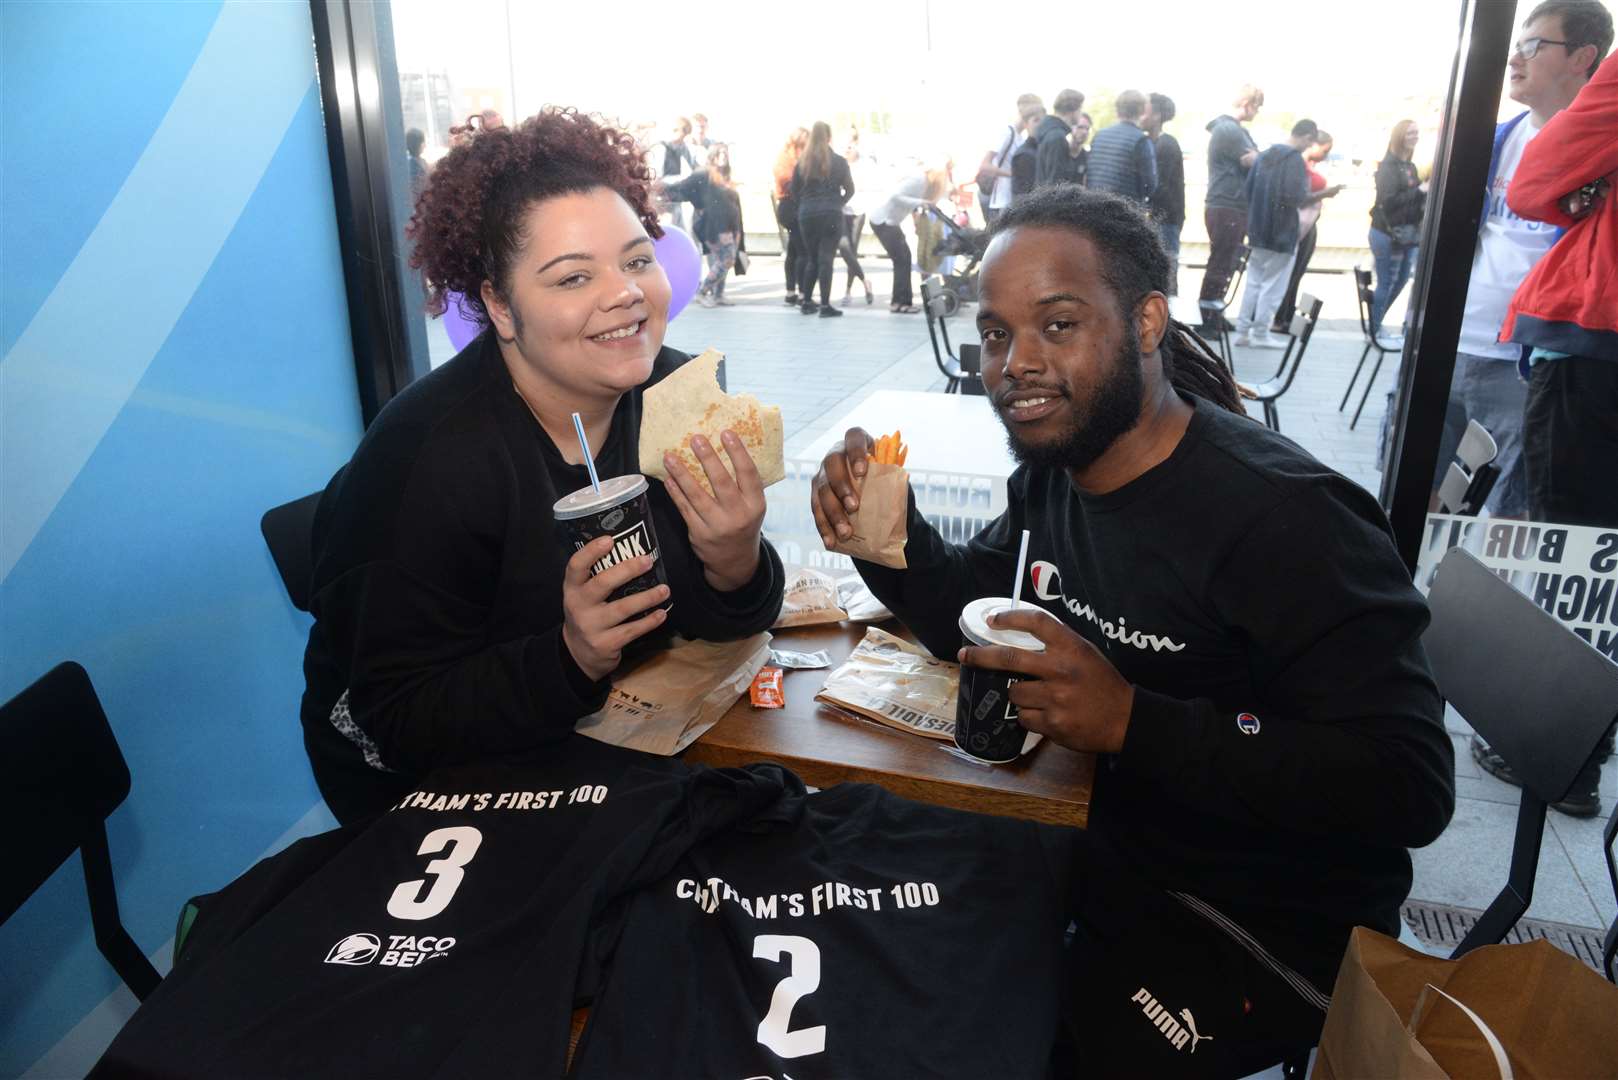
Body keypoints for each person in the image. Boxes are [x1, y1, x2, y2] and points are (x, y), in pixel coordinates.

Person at [809, 186, 1453, 1077]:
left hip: (1263, 920)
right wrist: (885, 537)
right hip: (1099, 837)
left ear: (1146, 321)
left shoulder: (1289, 520)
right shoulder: (1059, 469)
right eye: (997, 334)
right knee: (866, 940)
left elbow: (1410, 785)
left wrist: (1131, 722)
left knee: (992, 1043)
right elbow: (976, 612)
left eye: (1058, 325)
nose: (1015, 365)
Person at [300, 108, 785, 822]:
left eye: (636, 260)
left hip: (604, 736)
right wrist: (570, 657)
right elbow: (395, 716)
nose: (623, 293)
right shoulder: (430, 460)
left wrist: (735, 560)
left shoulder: (674, 397)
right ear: (498, 305)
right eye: (571, 278)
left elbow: (715, 618)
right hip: (421, 792)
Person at [1476, 45, 1618, 819]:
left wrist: (1589, 196)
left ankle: (1569, 764)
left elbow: (1535, 182)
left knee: (1579, 560)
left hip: (1600, 342)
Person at [1435, 0, 1612, 517]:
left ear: (1583, 57)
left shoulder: (1599, 148)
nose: (1515, 59)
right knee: (1420, 501)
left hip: (1522, 362)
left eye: (1533, 46)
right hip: (1451, 344)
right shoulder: (1493, 140)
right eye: (1515, 46)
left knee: (1512, 519)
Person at [1235, 120, 1341, 349]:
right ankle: (1261, 333)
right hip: (1282, 232)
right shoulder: (1293, 160)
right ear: (1307, 137)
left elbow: (1248, 190)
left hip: (1258, 230)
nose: (1310, 146)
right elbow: (1297, 197)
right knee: (1273, 285)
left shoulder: (1264, 155)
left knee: (1253, 282)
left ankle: (1242, 331)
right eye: (1311, 141)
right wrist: (1326, 193)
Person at [1198, 85, 1264, 336]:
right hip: (1228, 204)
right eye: (1257, 106)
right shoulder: (1230, 130)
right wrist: (1258, 155)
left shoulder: (1229, 129)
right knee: (1221, 262)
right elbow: (1253, 160)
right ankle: (1208, 318)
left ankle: (1214, 312)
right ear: (1247, 103)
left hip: (1229, 204)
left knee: (1226, 261)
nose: (1257, 112)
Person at [663, 143, 746, 307]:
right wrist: (661, 191)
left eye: (726, 153)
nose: (723, 156)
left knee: (725, 259)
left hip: (731, 225)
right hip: (715, 226)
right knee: (726, 259)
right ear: (713, 155)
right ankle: (702, 292)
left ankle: (718, 295)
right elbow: (683, 187)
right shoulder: (703, 173)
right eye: (720, 153)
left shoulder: (725, 175)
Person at [1367, 120, 1427, 336]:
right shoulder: (1388, 168)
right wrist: (1420, 191)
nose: (1415, 136)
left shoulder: (1408, 166)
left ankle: (1375, 322)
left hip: (1406, 235)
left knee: (1400, 280)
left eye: (1417, 132)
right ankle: (1373, 328)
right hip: (1387, 232)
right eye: (1411, 132)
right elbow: (1388, 201)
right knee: (1386, 281)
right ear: (1399, 136)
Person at [790, 121, 856, 318]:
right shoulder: (839, 161)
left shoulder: (802, 162)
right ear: (829, 138)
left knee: (812, 258)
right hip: (831, 214)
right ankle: (825, 305)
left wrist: (806, 204)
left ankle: (807, 301)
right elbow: (850, 189)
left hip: (807, 214)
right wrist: (838, 202)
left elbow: (793, 191)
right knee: (826, 258)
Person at [1273, 129, 1336, 330]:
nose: (1326, 155)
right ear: (1313, 144)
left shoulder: (1301, 165)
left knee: (1294, 272)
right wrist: (1326, 193)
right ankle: (1280, 316)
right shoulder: (1298, 165)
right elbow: (1298, 197)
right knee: (1290, 273)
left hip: (1306, 225)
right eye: (1325, 150)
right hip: (1299, 226)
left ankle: (1284, 314)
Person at [867, 170, 947, 314]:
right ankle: (902, 303)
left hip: (889, 221)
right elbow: (895, 196)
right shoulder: (920, 180)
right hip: (885, 220)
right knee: (903, 259)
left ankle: (898, 302)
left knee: (902, 260)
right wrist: (921, 202)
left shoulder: (922, 182)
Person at [980, 93, 1045, 228]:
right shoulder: (1007, 132)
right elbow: (985, 165)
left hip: (1012, 201)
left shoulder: (1021, 138)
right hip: (1001, 202)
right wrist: (1014, 173)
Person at [1085, 89, 1158, 204]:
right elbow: (1150, 184)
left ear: (1118, 110)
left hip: (1094, 205)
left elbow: (1089, 174)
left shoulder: (1099, 135)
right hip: (1124, 210)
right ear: (1142, 111)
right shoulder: (1141, 140)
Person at [1147, 93, 1185, 296]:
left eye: (1146, 109)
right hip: (1161, 217)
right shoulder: (1152, 143)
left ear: (1157, 116)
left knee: (1167, 270)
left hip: (1166, 219)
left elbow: (1159, 186)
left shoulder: (1166, 145)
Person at [773, 127, 809, 306]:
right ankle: (802, 293)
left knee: (794, 251)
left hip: (789, 206)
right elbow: (788, 182)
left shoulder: (788, 157)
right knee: (801, 251)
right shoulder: (787, 159)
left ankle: (791, 292)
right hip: (790, 206)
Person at [837, 130, 874, 306]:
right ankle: (865, 281)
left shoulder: (864, 164)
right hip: (842, 210)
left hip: (858, 210)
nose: (847, 148)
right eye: (845, 145)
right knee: (844, 248)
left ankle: (848, 290)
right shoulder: (839, 163)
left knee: (852, 250)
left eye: (851, 144)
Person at [652, 117, 699, 232]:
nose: (683, 137)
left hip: (679, 201)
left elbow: (694, 172)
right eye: (683, 132)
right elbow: (656, 181)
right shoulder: (661, 148)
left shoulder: (685, 149)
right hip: (664, 203)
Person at [1034, 88, 1087, 189]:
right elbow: (1055, 184)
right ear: (1073, 109)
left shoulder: (1050, 132)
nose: (1081, 113)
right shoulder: (1057, 137)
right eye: (1080, 109)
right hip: (1051, 203)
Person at [1011, 101, 1047, 200]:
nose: (1041, 124)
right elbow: (1025, 193)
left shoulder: (1043, 149)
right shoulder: (1024, 154)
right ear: (1026, 124)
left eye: (1043, 120)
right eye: (1036, 120)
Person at [405, 127, 429, 203]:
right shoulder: (412, 163)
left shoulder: (421, 161)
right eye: (423, 142)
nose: (425, 146)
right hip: (416, 200)